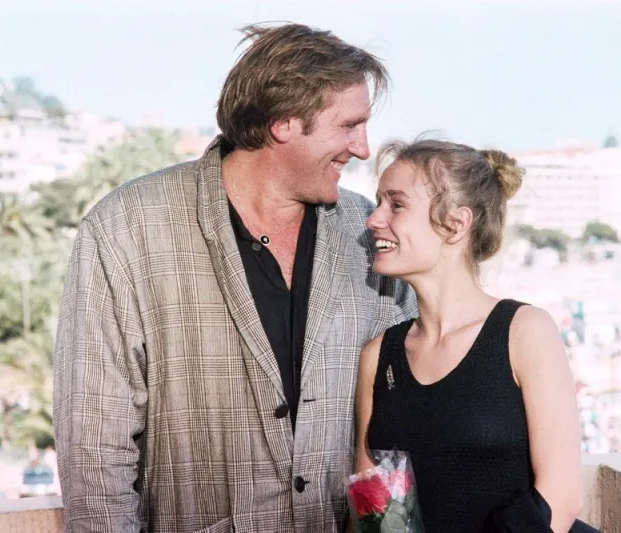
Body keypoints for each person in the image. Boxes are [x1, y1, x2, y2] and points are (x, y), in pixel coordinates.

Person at [53, 23, 415, 533]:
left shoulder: (372, 233)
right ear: (284, 122)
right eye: (349, 125)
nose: (362, 148)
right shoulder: (128, 228)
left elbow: (412, 416)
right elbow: (94, 447)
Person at [354, 137, 595, 532]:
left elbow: (561, 497)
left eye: (396, 205)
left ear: (455, 224)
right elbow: (376, 504)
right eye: (379, 203)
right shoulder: (380, 355)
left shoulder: (524, 332)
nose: (374, 219)